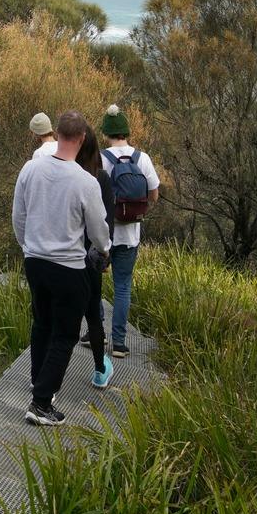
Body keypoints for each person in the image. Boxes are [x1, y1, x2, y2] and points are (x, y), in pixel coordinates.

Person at [13, 110, 111, 426]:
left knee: (41, 324)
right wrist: (105, 250)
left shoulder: (30, 169)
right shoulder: (86, 182)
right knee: (65, 333)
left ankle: (38, 382)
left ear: (57, 133)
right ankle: (41, 403)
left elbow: (19, 216)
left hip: (35, 262)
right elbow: (98, 230)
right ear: (81, 139)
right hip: (68, 267)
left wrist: (28, 247)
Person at [98, 104, 159, 358]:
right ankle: (120, 344)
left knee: (95, 286)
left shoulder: (100, 158)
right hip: (130, 235)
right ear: (127, 131)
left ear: (106, 133)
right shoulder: (142, 158)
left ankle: (96, 334)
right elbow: (154, 194)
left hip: (102, 234)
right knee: (123, 287)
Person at [75, 126, 115, 388]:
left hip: (65, 256)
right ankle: (100, 370)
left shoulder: (68, 175)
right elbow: (106, 221)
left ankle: (45, 376)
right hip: (90, 258)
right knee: (93, 315)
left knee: (61, 319)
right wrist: (104, 254)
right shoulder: (100, 178)